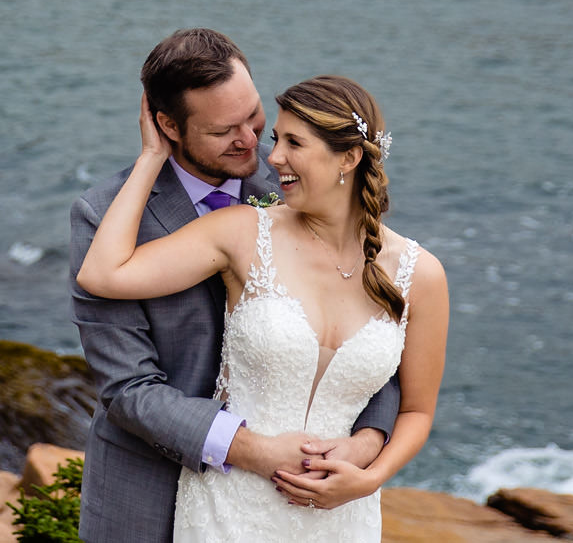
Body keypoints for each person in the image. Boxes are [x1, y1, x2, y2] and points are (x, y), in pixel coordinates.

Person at [77, 63, 450, 543]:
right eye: (276, 137)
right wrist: (152, 155)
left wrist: (369, 474)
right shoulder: (242, 229)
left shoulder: (421, 275)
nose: (269, 157)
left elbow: (416, 408)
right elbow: (101, 274)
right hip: (230, 508)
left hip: (342, 516)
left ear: (349, 158)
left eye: (293, 143)